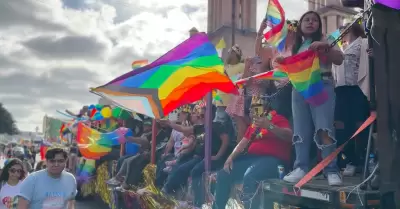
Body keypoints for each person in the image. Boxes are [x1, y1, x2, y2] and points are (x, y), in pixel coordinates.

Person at [281, 11, 344, 186]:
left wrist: (325, 48)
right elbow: (289, 72)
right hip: (299, 89)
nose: (311, 22)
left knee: (324, 128)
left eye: (315, 20)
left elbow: (339, 59)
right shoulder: (297, 46)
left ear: (319, 25)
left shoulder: (327, 39)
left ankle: (331, 169)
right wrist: (283, 62)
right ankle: (300, 167)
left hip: (321, 85)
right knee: (300, 130)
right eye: (307, 20)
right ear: (300, 25)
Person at [212, 96, 292, 209]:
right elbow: (242, 144)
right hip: (253, 159)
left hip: (274, 160)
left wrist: (269, 125)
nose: (251, 111)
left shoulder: (278, 119)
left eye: (255, 108)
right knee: (223, 173)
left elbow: (289, 136)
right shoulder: (253, 126)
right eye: (250, 109)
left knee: (250, 176)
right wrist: (230, 158)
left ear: (265, 109)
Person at [332, 22, 369, 176]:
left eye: (344, 29)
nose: (341, 31)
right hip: (340, 89)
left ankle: (359, 160)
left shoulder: (363, 42)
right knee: (341, 125)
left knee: (358, 124)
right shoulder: (341, 47)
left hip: (356, 88)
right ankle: (347, 159)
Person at [155, 106, 191, 188]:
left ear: (186, 115)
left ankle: (162, 187)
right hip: (174, 153)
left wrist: (170, 123)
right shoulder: (175, 128)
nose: (178, 114)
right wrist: (165, 153)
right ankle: (157, 185)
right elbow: (170, 142)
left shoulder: (189, 127)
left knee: (168, 164)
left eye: (181, 113)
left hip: (183, 155)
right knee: (162, 161)